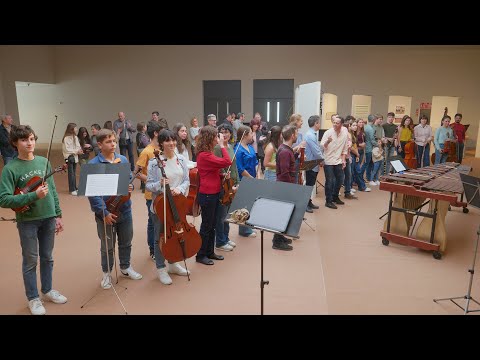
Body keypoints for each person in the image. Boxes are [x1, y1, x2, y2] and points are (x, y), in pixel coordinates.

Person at [0, 125, 67, 315]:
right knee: (30, 260)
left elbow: (52, 191)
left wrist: (58, 214)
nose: (29, 143)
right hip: (27, 220)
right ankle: (33, 298)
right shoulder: (10, 168)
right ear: (15, 143)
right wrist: (32, 196)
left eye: (31, 139)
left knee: (48, 257)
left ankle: (47, 290)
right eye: (24, 140)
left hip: (48, 218)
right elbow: (4, 199)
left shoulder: (43, 162)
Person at [87, 129, 143, 290]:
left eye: (114, 141)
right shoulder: (93, 165)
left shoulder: (122, 159)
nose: (113, 144)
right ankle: (107, 273)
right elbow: (93, 193)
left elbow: (126, 182)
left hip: (125, 209)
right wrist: (103, 213)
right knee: (107, 246)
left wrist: (129, 186)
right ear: (99, 144)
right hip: (106, 212)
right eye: (108, 142)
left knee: (126, 242)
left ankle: (125, 267)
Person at [146, 129, 191, 285]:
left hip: (177, 204)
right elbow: (148, 186)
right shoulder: (154, 162)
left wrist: (179, 189)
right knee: (160, 237)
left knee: (176, 233)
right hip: (161, 206)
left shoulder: (181, 159)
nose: (171, 143)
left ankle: (172, 264)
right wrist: (160, 184)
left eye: (173, 140)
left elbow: (186, 180)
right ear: (161, 143)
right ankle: (161, 268)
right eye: (167, 141)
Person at [195, 125, 232, 265]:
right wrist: (223, 146)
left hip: (215, 193)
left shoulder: (207, 154)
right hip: (208, 195)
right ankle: (201, 255)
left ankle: (210, 252)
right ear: (209, 138)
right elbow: (227, 161)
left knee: (212, 226)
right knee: (206, 226)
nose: (218, 139)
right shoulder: (204, 155)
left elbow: (212, 172)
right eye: (216, 136)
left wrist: (222, 175)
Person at [135, 121, 161, 261]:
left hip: (163, 192)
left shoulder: (162, 149)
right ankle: (153, 249)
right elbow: (137, 172)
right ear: (156, 133)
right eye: (162, 131)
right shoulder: (146, 151)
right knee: (152, 222)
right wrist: (152, 181)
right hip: (151, 194)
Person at [273, 124, 300, 251]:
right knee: (280, 214)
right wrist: (291, 188)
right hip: (284, 187)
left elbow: (288, 166)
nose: (297, 135)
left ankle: (281, 236)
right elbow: (284, 173)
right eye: (296, 133)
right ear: (292, 135)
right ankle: (277, 241)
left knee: (284, 213)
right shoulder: (284, 151)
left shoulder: (286, 149)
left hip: (285, 186)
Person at [214, 123, 239, 252]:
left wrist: (237, 181)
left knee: (228, 213)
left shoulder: (230, 146)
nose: (225, 134)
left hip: (232, 182)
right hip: (223, 184)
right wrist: (225, 176)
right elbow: (219, 165)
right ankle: (220, 241)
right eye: (222, 132)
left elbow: (233, 166)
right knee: (221, 215)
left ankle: (226, 238)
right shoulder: (218, 148)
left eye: (227, 132)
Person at [234, 125, 258, 238]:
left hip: (252, 178)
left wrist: (257, 174)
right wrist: (251, 178)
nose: (252, 135)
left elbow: (255, 161)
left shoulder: (249, 146)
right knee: (244, 204)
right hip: (244, 180)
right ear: (245, 135)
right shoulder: (238, 149)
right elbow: (240, 168)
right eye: (251, 133)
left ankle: (248, 226)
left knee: (250, 203)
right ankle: (244, 230)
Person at [320, 116, 348, 209]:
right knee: (330, 181)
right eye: (334, 122)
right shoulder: (328, 132)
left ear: (341, 124)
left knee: (340, 179)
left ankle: (335, 197)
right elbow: (323, 146)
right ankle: (328, 201)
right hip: (328, 160)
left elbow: (344, 148)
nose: (335, 124)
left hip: (338, 160)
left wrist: (343, 160)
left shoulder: (344, 133)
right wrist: (328, 141)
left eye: (337, 123)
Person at [304, 115, 325, 210]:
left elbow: (317, 149)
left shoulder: (313, 134)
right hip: (310, 163)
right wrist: (322, 160)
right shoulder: (310, 135)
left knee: (311, 184)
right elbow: (316, 151)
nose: (320, 124)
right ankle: (306, 204)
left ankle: (309, 201)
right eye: (319, 122)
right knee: (309, 184)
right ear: (316, 123)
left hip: (313, 163)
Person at [62, 123, 82, 196]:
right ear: (71, 129)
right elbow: (67, 150)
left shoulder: (75, 137)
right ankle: (72, 189)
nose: (76, 129)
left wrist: (79, 150)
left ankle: (74, 187)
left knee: (73, 173)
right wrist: (76, 151)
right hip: (70, 157)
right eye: (75, 128)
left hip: (75, 157)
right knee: (71, 174)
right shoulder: (66, 138)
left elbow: (78, 146)